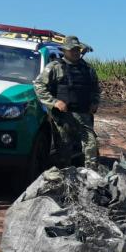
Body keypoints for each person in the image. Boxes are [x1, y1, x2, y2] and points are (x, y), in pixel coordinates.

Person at [33, 36, 100, 169]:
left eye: (77, 49)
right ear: (64, 50)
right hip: (63, 118)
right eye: (72, 50)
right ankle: (66, 179)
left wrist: (94, 102)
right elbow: (39, 85)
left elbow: (95, 88)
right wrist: (54, 102)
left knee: (91, 146)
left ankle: (91, 178)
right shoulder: (55, 67)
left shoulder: (87, 69)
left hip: (84, 116)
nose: (75, 52)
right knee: (64, 153)